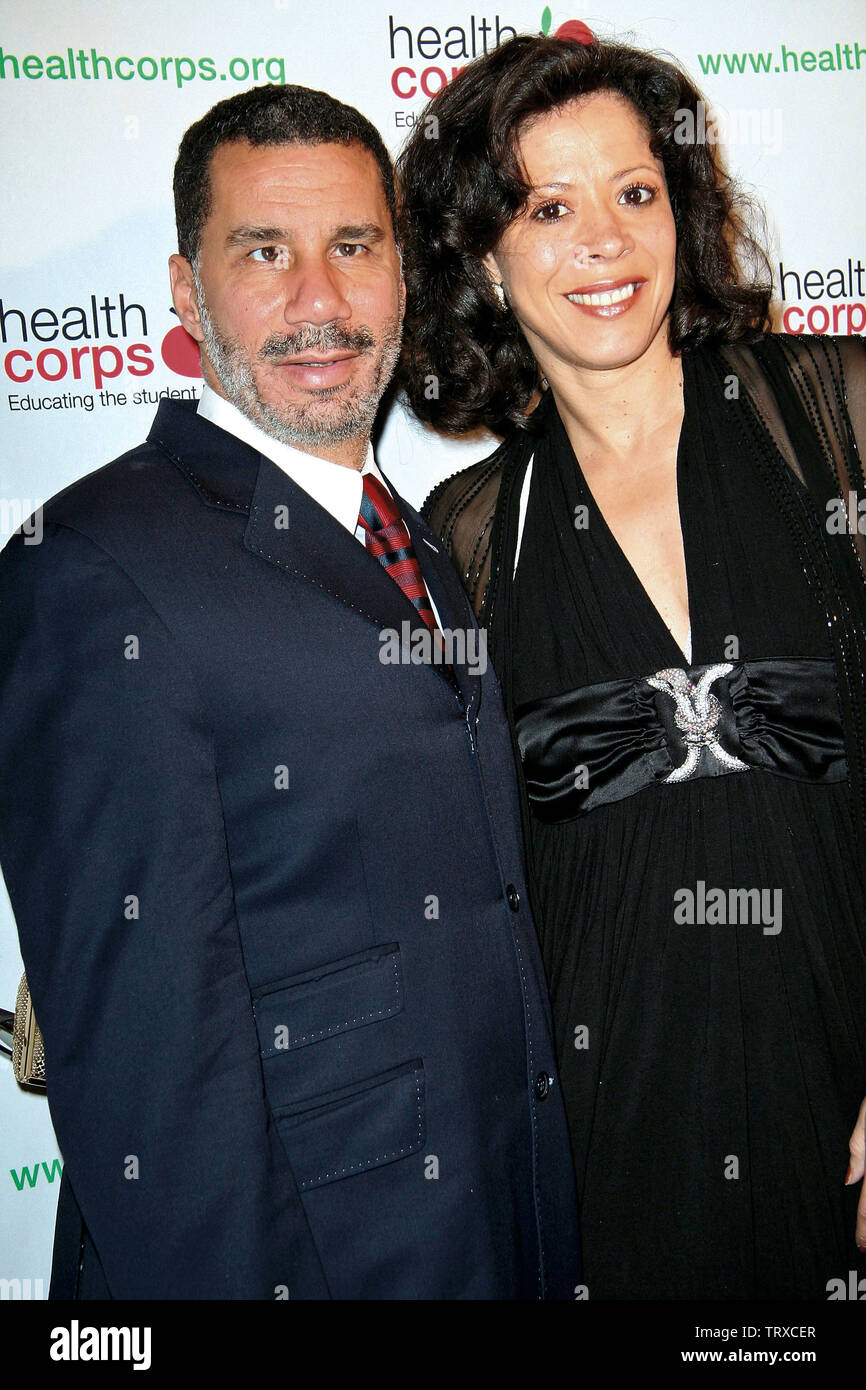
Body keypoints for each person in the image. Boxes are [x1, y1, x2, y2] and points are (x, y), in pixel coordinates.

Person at [0, 82, 581, 1300]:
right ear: (183, 289)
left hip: (486, 1224)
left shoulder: (416, 542)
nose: (319, 302)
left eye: (352, 247)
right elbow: (152, 1081)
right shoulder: (91, 566)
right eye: (264, 251)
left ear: (401, 275)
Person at [398, 33, 866, 1300]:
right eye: (547, 208)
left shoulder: (828, 415)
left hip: (836, 1099)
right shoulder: (467, 534)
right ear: (485, 260)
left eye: (633, 192)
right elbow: (424, 847)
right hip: (616, 1130)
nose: (601, 239)